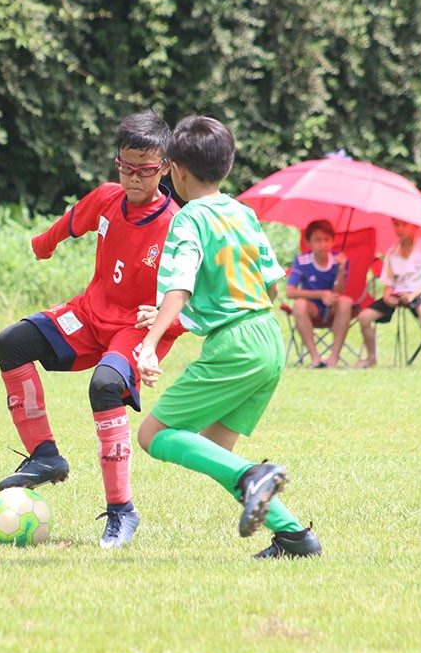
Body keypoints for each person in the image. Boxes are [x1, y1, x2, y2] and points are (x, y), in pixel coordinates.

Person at [0, 109, 186, 549]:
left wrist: (160, 333)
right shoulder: (106, 198)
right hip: (90, 313)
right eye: (125, 167)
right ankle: (45, 457)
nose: (133, 178)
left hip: (136, 328)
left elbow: (190, 294)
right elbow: (73, 219)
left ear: (166, 168)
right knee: (11, 343)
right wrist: (42, 244)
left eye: (145, 170)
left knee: (103, 387)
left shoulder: (177, 225)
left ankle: (122, 511)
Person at [135, 115, 321, 559]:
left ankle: (256, 478)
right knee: (216, 450)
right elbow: (272, 286)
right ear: (228, 165)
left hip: (235, 344)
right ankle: (295, 537)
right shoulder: (243, 212)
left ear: (175, 170)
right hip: (267, 339)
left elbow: (179, 285)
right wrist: (177, 314)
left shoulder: (187, 219)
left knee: (153, 435)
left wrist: (150, 340)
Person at [355, 218, 421, 369]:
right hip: (398, 292)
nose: (400, 229)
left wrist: (413, 295)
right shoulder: (392, 252)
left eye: (404, 225)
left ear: (414, 227)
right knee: (364, 317)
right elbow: (389, 281)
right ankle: (371, 358)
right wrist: (387, 295)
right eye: (396, 225)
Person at [286, 219, 354, 368]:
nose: (323, 244)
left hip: (333, 308)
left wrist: (341, 270)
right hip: (312, 308)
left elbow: (339, 292)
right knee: (298, 304)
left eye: (326, 240)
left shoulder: (339, 260)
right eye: (317, 240)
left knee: (345, 302)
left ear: (333, 241)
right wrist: (321, 294)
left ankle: (333, 358)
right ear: (308, 243)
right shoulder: (302, 261)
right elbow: (290, 292)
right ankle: (315, 358)